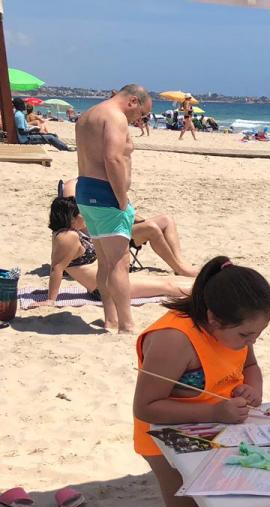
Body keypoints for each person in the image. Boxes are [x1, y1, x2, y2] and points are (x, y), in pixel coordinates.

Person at [133, 257, 270, 507]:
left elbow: (250, 366)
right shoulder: (173, 340)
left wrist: (251, 389)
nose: (250, 341)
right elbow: (146, 406)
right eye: (246, 335)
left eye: (256, 335)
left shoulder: (238, 327)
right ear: (214, 319)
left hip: (222, 427)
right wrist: (213, 411)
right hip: (166, 438)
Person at [74, 84, 154, 332]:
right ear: (133, 101)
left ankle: (110, 319)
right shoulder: (115, 116)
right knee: (119, 264)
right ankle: (127, 324)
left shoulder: (88, 115)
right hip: (105, 193)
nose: (138, 120)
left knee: (104, 263)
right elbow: (113, 158)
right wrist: (121, 197)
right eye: (141, 114)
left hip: (85, 190)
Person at [47, 197, 193, 306]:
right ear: (70, 217)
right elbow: (57, 268)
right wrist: (51, 300)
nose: (84, 215)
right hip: (106, 289)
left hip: (109, 281)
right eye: (80, 213)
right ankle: (208, 292)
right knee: (166, 286)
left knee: (165, 281)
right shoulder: (67, 237)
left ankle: (204, 286)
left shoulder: (68, 233)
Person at [58, 177, 199, 277]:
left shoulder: (105, 183)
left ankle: (181, 262)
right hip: (99, 235)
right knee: (151, 228)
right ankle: (178, 268)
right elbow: (76, 218)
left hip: (117, 226)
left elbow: (128, 211)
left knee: (166, 220)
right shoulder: (74, 186)